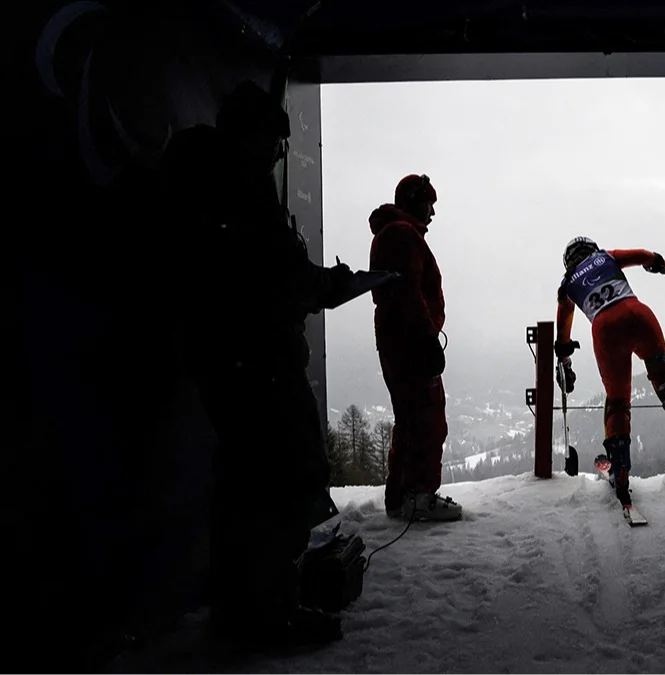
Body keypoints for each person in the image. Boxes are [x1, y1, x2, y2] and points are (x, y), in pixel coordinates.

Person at [162, 80, 350, 648]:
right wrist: (327, 286)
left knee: (253, 482)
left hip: (236, 360)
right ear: (252, 136)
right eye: (273, 144)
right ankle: (264, 615)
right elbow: (265, 280)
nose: (276, 156)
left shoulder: (211, 188)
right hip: (253, 361)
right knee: (276, 479)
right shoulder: (233, 194)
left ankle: (250, 609)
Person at [554, 237, 665, 506]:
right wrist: (663, 263)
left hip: (605, 327)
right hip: (638, 312)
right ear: (591, 249)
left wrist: (565, 361)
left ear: (568, 260)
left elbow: (563, 330)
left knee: (617, 400)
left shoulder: (567, 285)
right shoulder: (607, 256)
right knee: (658, 363)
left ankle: (620, 469)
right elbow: (640, 255)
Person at [369, 173, 460, 522]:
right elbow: (408, 292)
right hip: (409, 341)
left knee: (412, 416)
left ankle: (404, 496)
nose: (433, 213)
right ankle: (418, 496)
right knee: (425, 416)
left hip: (402, 339)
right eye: (429, 204)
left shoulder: (396, 234)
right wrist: (426, 338)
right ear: (413, 201)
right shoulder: (402, 236)